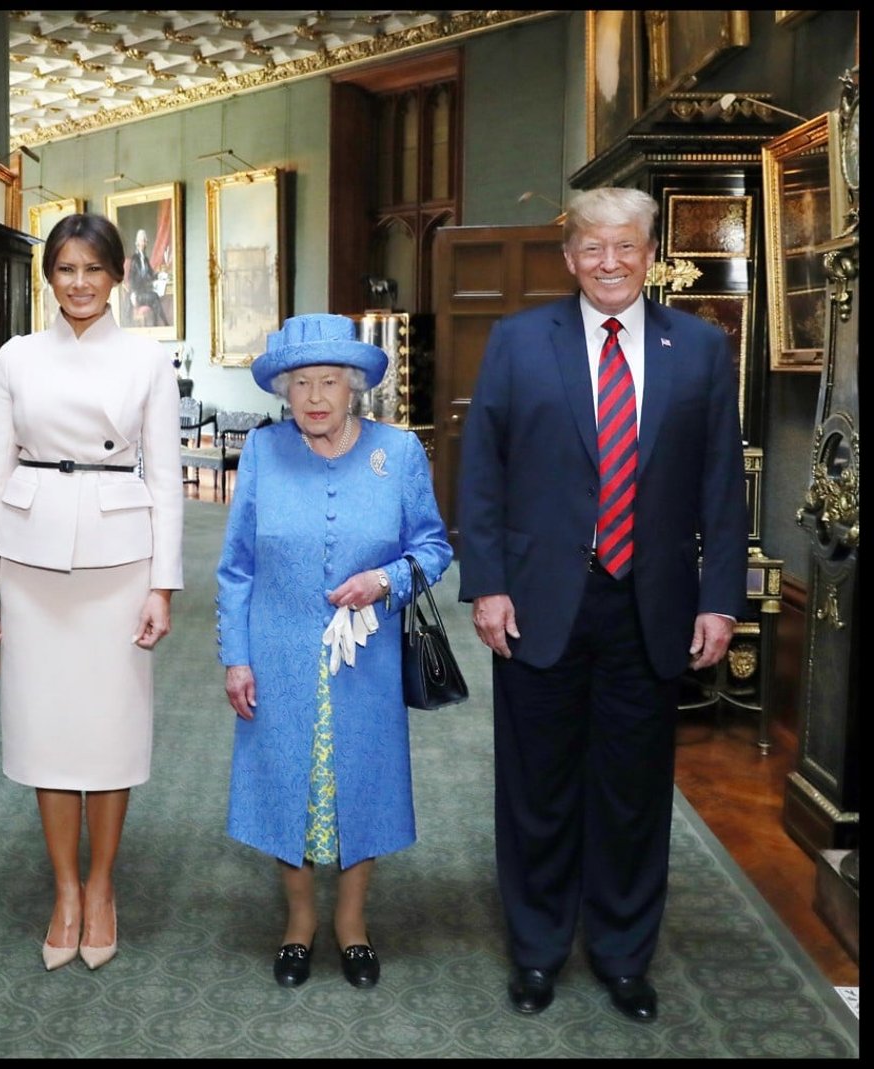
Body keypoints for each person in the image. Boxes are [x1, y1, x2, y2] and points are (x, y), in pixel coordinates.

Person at [457, 186, 748, 1022]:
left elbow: (721, 483)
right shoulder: (518, 341)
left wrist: (720, 599)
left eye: (625, 246)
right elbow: (482, 471)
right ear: (569, 257)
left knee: (633, 789)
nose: (609, 262)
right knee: (537, 785)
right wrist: (487, 583)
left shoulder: (700, 347)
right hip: (538, 599)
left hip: (652, 604)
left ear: (649, 254)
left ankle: (624, 953)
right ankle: (537, 948)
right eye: (592, 247)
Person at [0, 212, 184, 972]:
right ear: (49, 278)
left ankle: (101, 886)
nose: (80, 282)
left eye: (94, 268)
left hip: (119, 560)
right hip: (31, 559)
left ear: (118, 275)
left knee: (109, 731)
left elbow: (167, 479)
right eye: (66, 268)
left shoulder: (146, 361)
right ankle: (64, 889)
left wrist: (162, 585)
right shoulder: (17, 357)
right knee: (48, 730)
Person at [216, 312, 453, 990]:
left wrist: (386, 580)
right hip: (278, 654)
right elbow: (236, 567)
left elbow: (434, 548)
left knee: (364, 785)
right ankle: (299, 921)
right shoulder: (263, 452)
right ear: (284, 391)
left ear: (353, 386)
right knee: (284, 781)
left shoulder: (398, 453)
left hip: (366, 660)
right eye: (301, 383)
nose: (315, 396)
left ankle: (352, 922)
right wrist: (237, 656)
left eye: (328, 381)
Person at [126, 227, 168, 326]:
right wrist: (133, 294)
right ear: (138, 243)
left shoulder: (145, 259)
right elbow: (131, 279)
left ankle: (156, 325)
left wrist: (160, 275)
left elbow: (151, 274)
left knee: (155, 301)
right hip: (137, 294)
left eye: (145, 240)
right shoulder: (135, 259)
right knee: (155, 297)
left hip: (143, 292)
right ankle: (165, 323)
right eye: (143, 240)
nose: (145, 243)